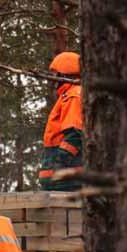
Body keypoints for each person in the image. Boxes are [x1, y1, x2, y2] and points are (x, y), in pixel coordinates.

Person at [40, 51, 83, 191]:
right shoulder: (67, 95)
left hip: (67, 177)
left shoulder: (73, 96)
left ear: (64, 75)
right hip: (63, 175)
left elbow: (75, 133)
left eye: (55, 74)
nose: (52, 79)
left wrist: (60, 162)